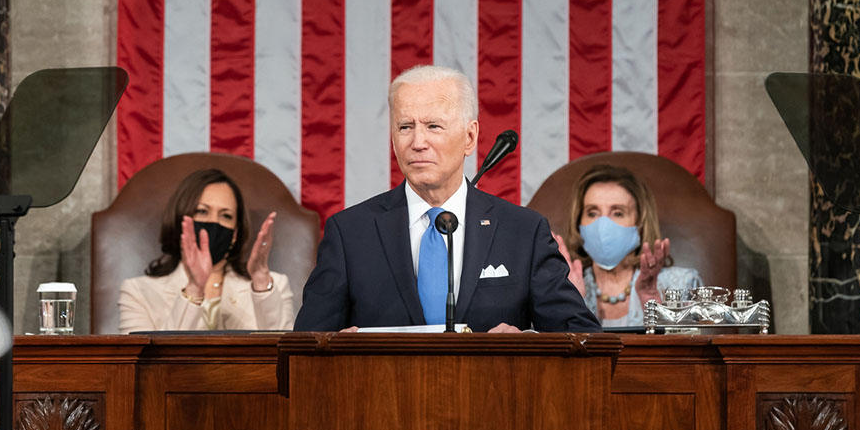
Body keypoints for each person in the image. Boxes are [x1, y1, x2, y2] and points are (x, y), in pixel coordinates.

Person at [295, 65, 600, 332]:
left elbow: (580, 336)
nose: (417, 142)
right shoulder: (350, 233)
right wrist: (337, 348)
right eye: (405, 127)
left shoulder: (523, 231)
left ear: (469, 137)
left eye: (433, 126)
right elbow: (306, 346)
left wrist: (525, 342)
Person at [118, 168, 295, 332]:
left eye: (226, 215)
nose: (213, 223)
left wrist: (261, 282)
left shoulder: (273, 286)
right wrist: (194, 289)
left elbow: (286, 356)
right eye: (202, 212)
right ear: (181, 220)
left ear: (234, 233)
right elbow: (141, 363)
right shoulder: (138, 292)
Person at [553, 165, 702, 327]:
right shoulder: (563, 288)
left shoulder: (683, 284)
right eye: (592, 213)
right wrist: (572, 302)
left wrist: (653, 305)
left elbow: (692, 349)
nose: (603, 225)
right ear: (578, 223)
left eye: (618, 213)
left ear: (640, 223)